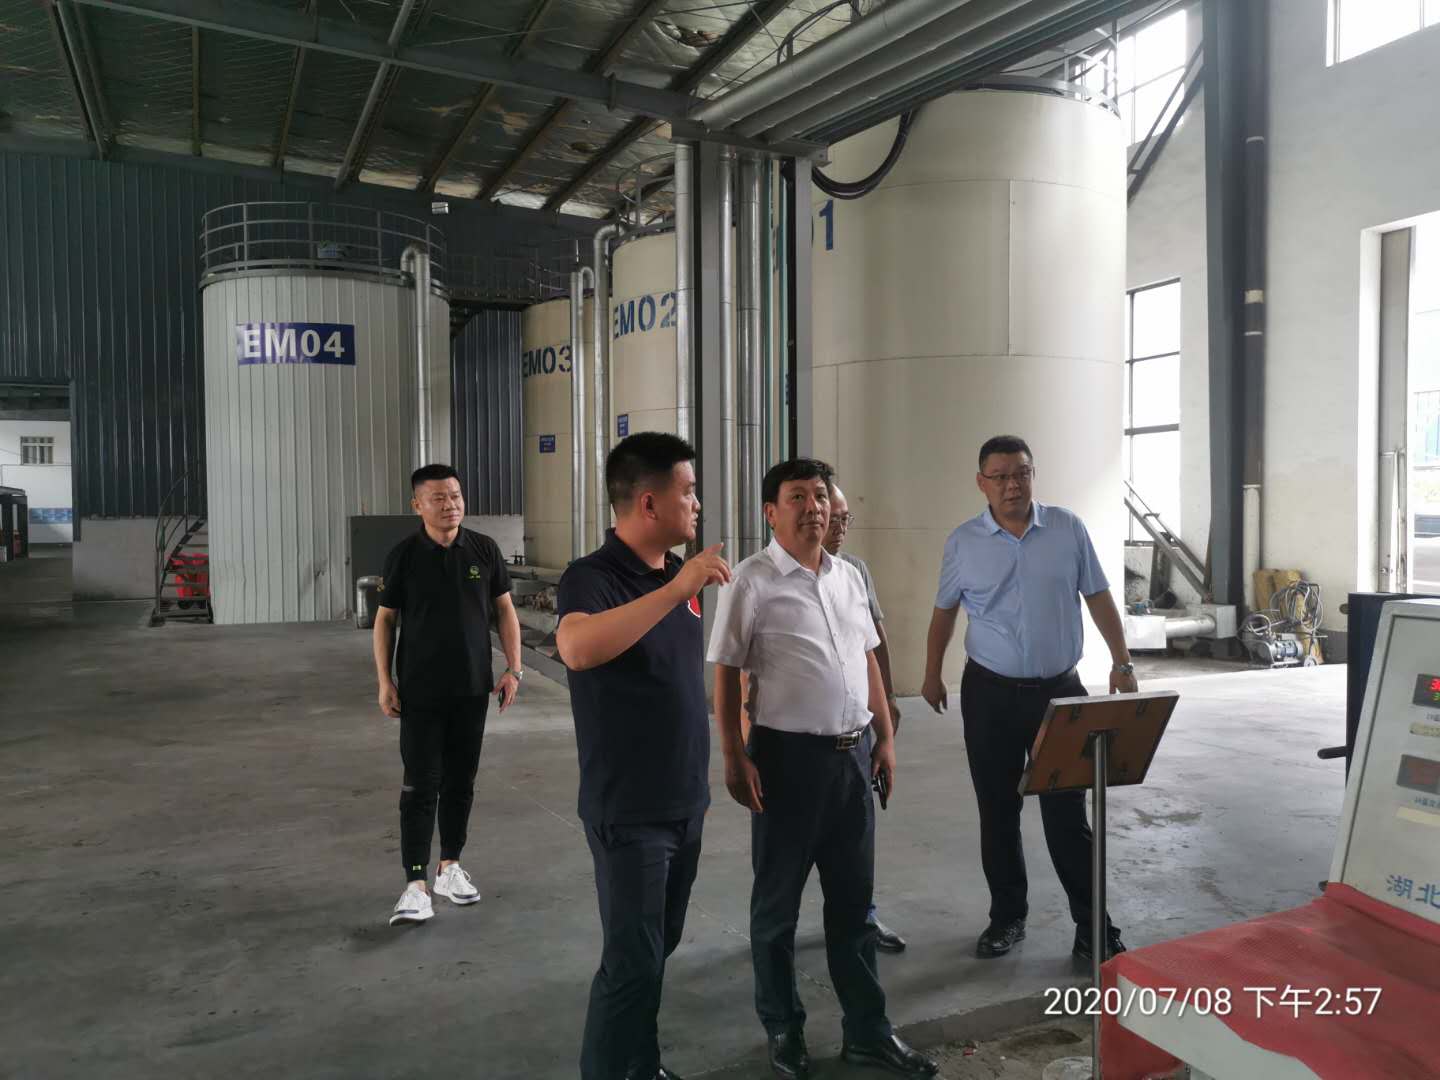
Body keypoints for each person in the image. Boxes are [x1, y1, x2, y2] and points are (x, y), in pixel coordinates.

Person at [709, 458, 938, 1080]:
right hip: (786, 764)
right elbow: (725, 672)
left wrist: (885, 740)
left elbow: (867, 661)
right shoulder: (751, 581)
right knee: (777, 910)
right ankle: (783, 1029)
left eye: (819, 495)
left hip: (852, 759)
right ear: (770, 512)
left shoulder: (848, 576)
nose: (813, 506)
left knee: (854, 908)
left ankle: (867, 1032)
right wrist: (733, 754)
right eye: (797, 497)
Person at [919, 436, 1137, 963]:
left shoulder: (1067, 528)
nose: (1012, 485)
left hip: (1059, 696)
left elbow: (1098, 595)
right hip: (989, 694)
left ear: (1033, 474)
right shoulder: (963, 542)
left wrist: (1122, 660)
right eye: (1000, 476)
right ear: (982, 483)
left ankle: (1093, 927)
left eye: (1021, 473)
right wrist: (931, 673)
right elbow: (945, 611)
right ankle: (1007, 918)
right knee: (998, 811)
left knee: (1068, 817)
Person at [555, 432, 731, 1080]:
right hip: (630, 813)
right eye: (689, 491)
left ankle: (641, 1065)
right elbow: (576, 648)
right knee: (631, 963)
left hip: (684, 802)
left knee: (657, 949)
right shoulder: (593, 577)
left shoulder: (673, 577)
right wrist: (676, 588)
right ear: (650, 503)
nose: (697, 503)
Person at [373, 463, 523, 927]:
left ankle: (449, 868)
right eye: (438, 498)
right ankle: (415, 884)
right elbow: (385, 619)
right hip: (419, 691)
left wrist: (513, 669)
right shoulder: (403, 555)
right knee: (420, 784)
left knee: (461, 781)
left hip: (472, 688)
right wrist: (385, 680)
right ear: (417, 505)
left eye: (455, 495)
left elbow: (505, 610)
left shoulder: (484, 549)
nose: (450, 504)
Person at [823, 484, 907, 954]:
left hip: (853, 734)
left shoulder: (854, 571)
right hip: (794, 742)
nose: (838, 527)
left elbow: (875, 641)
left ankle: (863, 915)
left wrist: (886, 702)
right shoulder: (764, 577)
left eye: (845, 519)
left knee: (857, 834)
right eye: (832, 517)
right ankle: (777, 930)